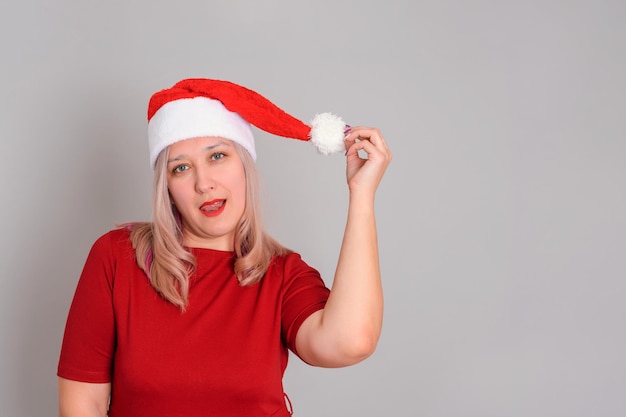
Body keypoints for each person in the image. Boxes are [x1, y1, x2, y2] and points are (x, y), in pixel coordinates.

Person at [57, 78, 392, 417]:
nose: (204, 183)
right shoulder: (117, 258)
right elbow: (84, 404)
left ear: (244, 164)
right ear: (167, 187)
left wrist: (361, 196)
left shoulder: (283, 274)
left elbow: (351, 342)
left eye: (217, 156)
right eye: (181, 168)